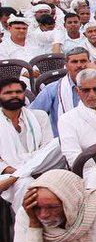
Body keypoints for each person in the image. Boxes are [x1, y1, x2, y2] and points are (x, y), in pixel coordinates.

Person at [0, 75, 62, 206]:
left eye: (18, 92)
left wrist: (18, 173)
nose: (14, 95)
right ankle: (28, 225)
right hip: (6, 172)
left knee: (58, 143)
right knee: (25, 183)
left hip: (40, 168)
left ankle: (17, 176)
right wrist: (11, 170)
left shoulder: (39, 115)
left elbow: (47, 148)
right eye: (8, 93)